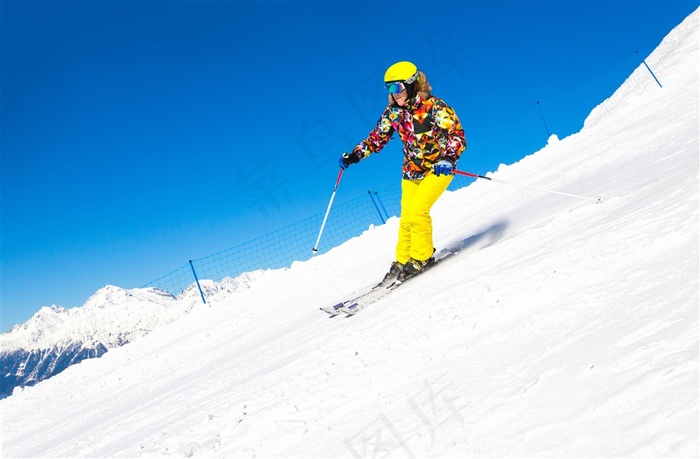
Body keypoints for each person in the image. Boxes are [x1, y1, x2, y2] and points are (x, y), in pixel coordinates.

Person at [339, 61, 466, 283]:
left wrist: (448, 157)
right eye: (388, 88)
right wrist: (356, 154)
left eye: (396, 87)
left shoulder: (434, 107)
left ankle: (422, 257)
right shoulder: (393, 113)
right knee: (407, 218)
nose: (393, 94)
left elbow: (456, 134)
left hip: (437, 170)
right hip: (411, 173)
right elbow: (377, 137)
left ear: (412, 84)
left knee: (418, 211)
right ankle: (402, 261)